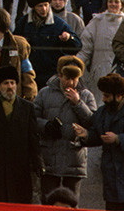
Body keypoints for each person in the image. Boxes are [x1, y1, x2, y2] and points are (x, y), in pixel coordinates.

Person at [73, 72, 124, 211]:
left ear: (119, 96)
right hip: (112, 173)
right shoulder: (103, 111)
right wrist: (86, 134)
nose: (103, 99)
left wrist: (118, 139)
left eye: (107, 96)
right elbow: (98, 134)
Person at [0, 66, 42, 203]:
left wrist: (38, 163)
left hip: (20, 169)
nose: (10, 86)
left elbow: (33, 138)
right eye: (6, 83)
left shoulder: (27, 108)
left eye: (12, 83)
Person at [33, 55, 96, 202]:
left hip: (74, 156)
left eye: (75, 79)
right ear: (60, 75)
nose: (71, 83)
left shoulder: (86, 95)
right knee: (48, 200)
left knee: (71, 202)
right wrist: (46, 126)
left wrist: (78, 103)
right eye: (67, 78)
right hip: (49, 155)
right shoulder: (45, 93)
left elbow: (92, 123)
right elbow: (33, 119)